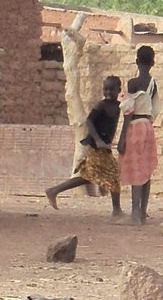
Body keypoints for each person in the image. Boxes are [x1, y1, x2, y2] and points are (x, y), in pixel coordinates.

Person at [46, 76, 122, 217]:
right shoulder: (101, 105)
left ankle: (54, 190)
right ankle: (117, 211)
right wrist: (98, 140)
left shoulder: (118, 106)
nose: (108, 92)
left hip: (104, 147)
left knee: (98, 176)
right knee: (110, 176)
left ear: (119, 90)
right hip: (96, 146)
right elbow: (89, 122)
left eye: (111, 89)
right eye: (105, 89)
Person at [118, 45, 161, 225]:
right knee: (145, 170)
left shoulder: (132, 83)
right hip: (147, 127)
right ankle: (142, 213)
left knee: (136, 170)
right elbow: (156, 107)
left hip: (135, 126)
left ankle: (134, 214)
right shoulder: (153, 83)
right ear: (153, 63)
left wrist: (122, 138)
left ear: (136, 61)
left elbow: (128, 111)